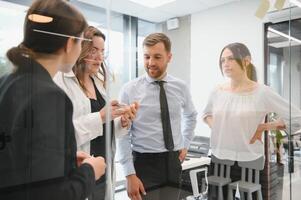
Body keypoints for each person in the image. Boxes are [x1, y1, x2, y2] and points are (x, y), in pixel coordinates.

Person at [0, 0, 106, 199]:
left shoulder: (6, 83)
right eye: (81, 41)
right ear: (69, 44)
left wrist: (64, 160)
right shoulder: (50, 96)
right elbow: (53, 195)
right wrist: (90, 171)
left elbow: (16, 159)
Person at [202, 42, 301, 196]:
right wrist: (218, 128)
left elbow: (296, 117)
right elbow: (206, 114)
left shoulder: (262, 92)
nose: (225, 64)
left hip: (249, 159)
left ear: (246, 61)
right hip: (219, 157)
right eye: (222, 60)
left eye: (231, 59)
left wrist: (264, 127)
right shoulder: (217, 91)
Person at [54, 26, 139, 200]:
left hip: (103, 172)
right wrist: (100, 116)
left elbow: (105, 127)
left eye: (102, 51)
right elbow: (60, 135)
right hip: (79, 173)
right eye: (93, 51)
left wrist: (121, 120)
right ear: (80, 49)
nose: (99, 57)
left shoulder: (99, 85)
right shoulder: (61, 81)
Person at [117, 33, 198, 200]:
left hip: (173, 162)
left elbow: (191, 115)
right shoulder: (129, 89)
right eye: (147, 56)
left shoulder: (180, 87)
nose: (151, 63)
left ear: (169, 57)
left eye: (157, 57)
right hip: (144, 164)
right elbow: (122, 134)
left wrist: (185, 144)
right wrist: (129, 174)